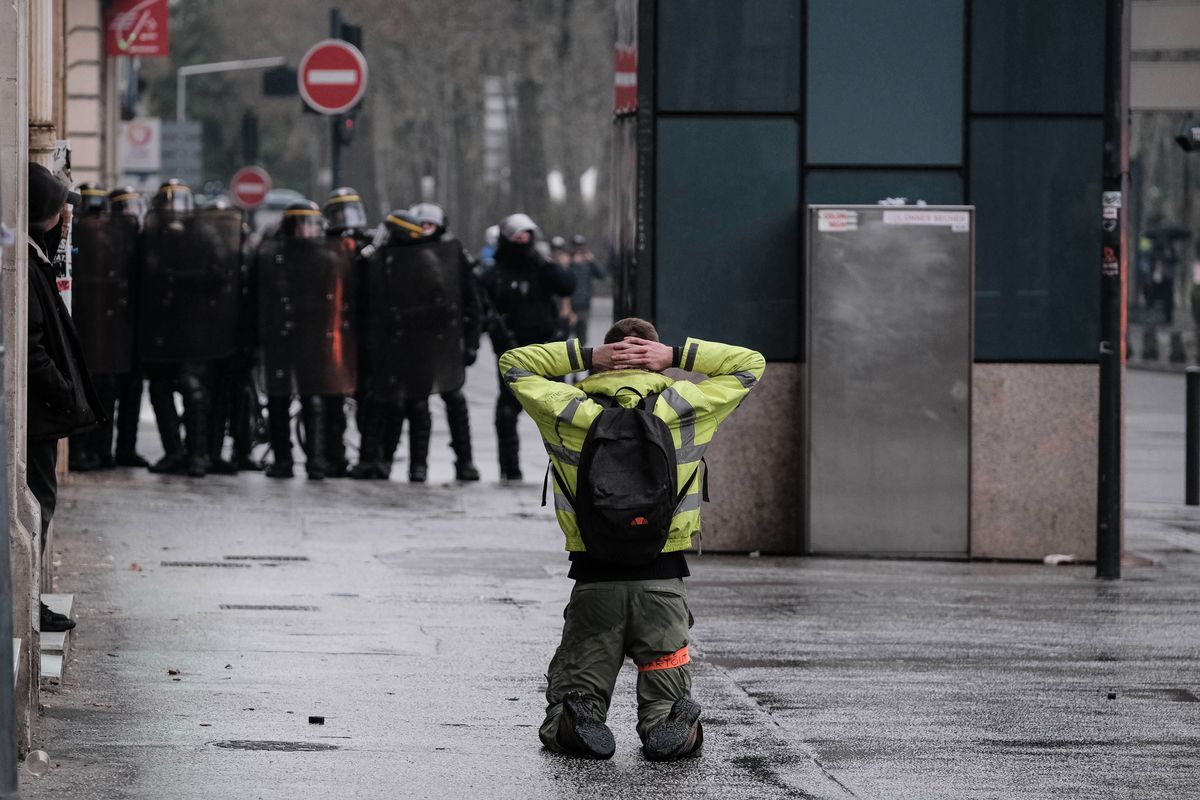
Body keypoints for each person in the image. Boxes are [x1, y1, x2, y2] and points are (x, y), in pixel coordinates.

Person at [498, 318, 764, 760]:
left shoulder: (567, 407)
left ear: (605, 359)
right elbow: (749, 364)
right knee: (666, 687)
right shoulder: (685, 405)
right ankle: (669, 724)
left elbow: (514, 363)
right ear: (654, 358)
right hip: (663, 580)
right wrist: (678, 357)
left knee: (577, 684)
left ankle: (577, 718)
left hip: (594, 579)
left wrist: (585, 358)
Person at [26, 163, 104, 632]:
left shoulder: (35, 256)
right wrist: (65, 393)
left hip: (42, 414)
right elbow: (34, 351)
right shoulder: (28, 261)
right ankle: (26, 601)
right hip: (38, 415)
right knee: (38, 501)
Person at [139, 179, 241, 477]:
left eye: (177, 203)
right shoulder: (150, 235)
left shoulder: (204, 235)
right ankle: (174, 452)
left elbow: (220, 275)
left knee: (193, 389)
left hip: (195, 326)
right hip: (160, 325)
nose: (172, 210)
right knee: (159, 390)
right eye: (166, 204)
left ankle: (198, 454)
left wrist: (179, 279)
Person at [257, 200, 357, 479]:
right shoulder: (273, 255)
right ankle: (282, 459)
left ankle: (316, 459)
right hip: (280, 337)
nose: (308, 230)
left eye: (312, 224)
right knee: (278, 400)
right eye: (302, 224)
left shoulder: (326, 256)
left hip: (313, 339)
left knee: (314, 400)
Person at [478, 213, 575, 481]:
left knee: (561, 414)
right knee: (507, 412)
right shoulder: (495, 273)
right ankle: (510, 469)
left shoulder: (540, 267)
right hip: (513, 351)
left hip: (548, 350)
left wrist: (546, 264)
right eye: (518, 236)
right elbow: (481, 307)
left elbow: (567, 286)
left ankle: (567, 468)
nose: (523, 240)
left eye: (527, 236)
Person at [408, 202, 483, 481]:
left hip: (448, 340)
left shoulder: (455, 256)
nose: (426, 229)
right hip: (417, 342)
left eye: (431, 224)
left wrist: (472, 341)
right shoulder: (406, 254)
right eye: (422, 224)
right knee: (417, 404)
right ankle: (418, 465)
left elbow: (473, 302)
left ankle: (465, 461)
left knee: (455, 399)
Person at [321, 187, 373, 476]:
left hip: (363, 332)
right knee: (333, 398)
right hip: (335, 333)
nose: (346, 218)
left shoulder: (368, 245)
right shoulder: (324, 245)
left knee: (366, 399)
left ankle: (368, 456)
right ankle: (334, 455)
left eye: (350, 210)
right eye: (340, 212)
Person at [567, 234, 607, 342]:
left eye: (580, 246)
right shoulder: (567, 262)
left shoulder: (589, 264)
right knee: (566, 336)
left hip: (584, 305)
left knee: (582, 338)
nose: (578, 249)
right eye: (576, 246)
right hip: (569, 305)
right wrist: (571, 262)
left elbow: (601, 274)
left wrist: (592, 260)